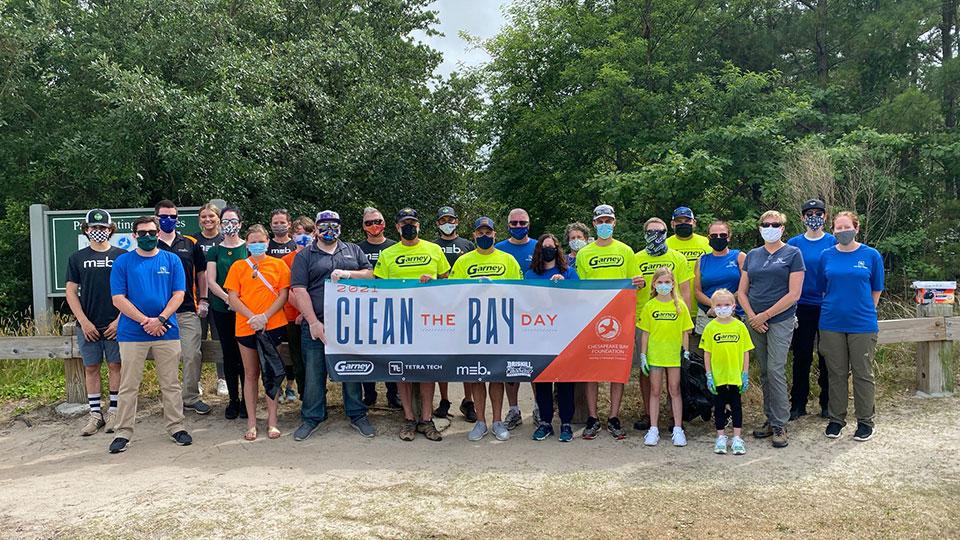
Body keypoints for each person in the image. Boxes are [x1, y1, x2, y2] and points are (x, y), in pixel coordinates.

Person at [108, 216, 191, 453]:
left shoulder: (172, 259)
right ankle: (123, 432)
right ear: (134, 235)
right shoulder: (123, 262)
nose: (147, 237)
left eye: (151, 232)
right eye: (142, 233)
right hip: (132, 332)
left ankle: (176, 427)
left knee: (171, 383)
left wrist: (161, 319)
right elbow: (118, 298)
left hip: (167, 330)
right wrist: (146, 321)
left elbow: (179, 294)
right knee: (128, 385)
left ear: (158, 234)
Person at [290, 210, 376, 441]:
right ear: (316, 228)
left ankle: (357, 414)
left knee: (351, 370)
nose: (330, 230)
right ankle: (312, 417)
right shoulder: (305, 256)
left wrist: (349, 273)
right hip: (317, 324)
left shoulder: (353, 250)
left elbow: (370, 275)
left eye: (334, 225)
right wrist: (313, 322)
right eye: (324, 225)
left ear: (341, 227)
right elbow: (299, 291)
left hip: (349, 325)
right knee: (314, 374)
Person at [374, 208, 450, 442]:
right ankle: (408, 419)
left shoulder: (434, 249)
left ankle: (426, 419)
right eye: (405, 222)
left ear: (419, 225)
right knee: (402, 370)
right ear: (397, 227)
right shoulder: (387, 254)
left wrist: (434, 282)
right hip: (399, 320)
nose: (410, 226)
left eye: (413, 222)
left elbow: (447, 282)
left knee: (428, 370)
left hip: (429, 320)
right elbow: (379, 286)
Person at [449, 217, 523, 441]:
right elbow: (453, 291)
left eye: (487, 232)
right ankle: (480, 422)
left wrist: (497, 287)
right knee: (477, 375)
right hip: (472, 326)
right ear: (473, 235)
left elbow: (519, 291)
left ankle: (498, 422)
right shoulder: (463, 261)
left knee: (497, 376)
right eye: (479, 233)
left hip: (499, 325)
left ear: (494, 234)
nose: (484, 236)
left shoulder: (508, 260)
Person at [575, 204, 644, 440]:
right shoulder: (584, 253)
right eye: (600, 221)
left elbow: (636, 282)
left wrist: (639, 282)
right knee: (591, 369)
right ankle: (593, 418)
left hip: (620, 319)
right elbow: (580, 287)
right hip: (592, 318)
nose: (604, 224)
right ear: (594, 224)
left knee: (617, 369)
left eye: (608, 220)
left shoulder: (626, 251)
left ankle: (614, 417)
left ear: (614, 223)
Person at [737, 210, 804, 449]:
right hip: (755, 320)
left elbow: (794, 294)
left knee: (776, 369)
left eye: (775, 224)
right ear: (760, 227)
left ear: (783, 228)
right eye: (766, 224)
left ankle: (780, 424)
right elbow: (741, 291)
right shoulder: (753, 255)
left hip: (780, 319)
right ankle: (770, 417)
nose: (770, 227)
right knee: (764, 370)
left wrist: (766, 315)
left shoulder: (793, 253)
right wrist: (752, 317)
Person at [818, 211, 884, 442]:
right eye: (838, 228)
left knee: (863, 373)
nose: (843, 231)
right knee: (835, 373)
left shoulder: (871, 255)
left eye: (847, 227)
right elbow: (823, 288)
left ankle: (865, 422)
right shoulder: (826, 256)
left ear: (856, 228)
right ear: (833, 230)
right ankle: (836, 420)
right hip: (831, 323)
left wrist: (864, 309)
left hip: (862, 324)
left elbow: (876, 288)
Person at [224, 225, 291, 440]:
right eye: (252, 241)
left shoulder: (278, 265)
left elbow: (283, 295)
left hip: (273, 325)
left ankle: (272, 421)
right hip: (245, 325)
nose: (256, 244)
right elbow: (232, 297)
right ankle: (252, 422)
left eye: (260, 241)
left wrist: (265, 316)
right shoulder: (238, 266)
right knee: (250, 373)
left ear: (268, 242)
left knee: (271, 372)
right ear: (247, 243)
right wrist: (252, 316)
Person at [66, 209, 126, 436]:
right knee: (91, 367)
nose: (98, 231)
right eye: (94, 227)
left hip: (115, 323)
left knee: (115, 366)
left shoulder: (121, 255)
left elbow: (129, 291)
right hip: (88, 323)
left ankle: (114, 411)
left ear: (110, 229)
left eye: (102, 228)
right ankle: (95, 415)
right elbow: (71, 292)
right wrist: (83, 321)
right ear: (86, 229)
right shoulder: (77, 258)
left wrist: (120, 320)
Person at [633, 217, 692, 431]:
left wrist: (685, 318)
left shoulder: (677, 257)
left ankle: (674, 417)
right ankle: (650, 415)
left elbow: (685, 290)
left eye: (659, 231)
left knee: (676, 372)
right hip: (644, 319)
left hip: (674, 320)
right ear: (644, 234)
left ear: (667, 232)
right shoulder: (636, 257)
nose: (655, 235)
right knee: (647, 370)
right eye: (651, 232)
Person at [155, 200, 210, 416]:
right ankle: (170, 399)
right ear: (156, 218)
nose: (168, 220)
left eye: (173, 216)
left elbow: (201, 273)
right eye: (164, 216)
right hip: (157, 313)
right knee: (164, 357)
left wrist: (204, 299)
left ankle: (190, 397)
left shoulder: (190, 243)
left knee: (192, 354)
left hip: (187, 310)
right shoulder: (149, 242)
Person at [524, 233, 578, 443]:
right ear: (539, 250)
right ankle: (545, 422)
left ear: (558, 249)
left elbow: (580, 298)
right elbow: (525, 303)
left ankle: (566, 422)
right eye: (544, 247)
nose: (549, 250)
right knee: (543, 379)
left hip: (564, 334)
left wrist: (564, 285)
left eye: (552, 246)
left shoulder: (568, 272)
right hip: (539, 333)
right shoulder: (530, 275)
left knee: (565, 381)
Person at [787, 199, 836, 419]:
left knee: (827, 356)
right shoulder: (794, 243)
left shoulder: (834, 241)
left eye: (818, 213)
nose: (813, 216)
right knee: (802, 356)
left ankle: (827, 403)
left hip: (827, 306)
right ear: (802, 217)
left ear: (825, 216)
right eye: (809, 213)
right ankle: (798, 403)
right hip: (802, 305)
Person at [638, 267, 694, 447]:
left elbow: (686, 331)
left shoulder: (680, 306)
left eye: (667, 282)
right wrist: (643, 355)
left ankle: (678, 429)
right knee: (654, 390)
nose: (664, 285)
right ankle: (653, 428)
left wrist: (685, 352)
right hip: (655, 355)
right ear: (654, 284)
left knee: (675, 390)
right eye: (660, 282)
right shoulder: (650, 306)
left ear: (673, 284)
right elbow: (645, 333)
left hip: (674, 356)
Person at [432, 205, 477, 422]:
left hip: (465, 307)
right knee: (442, 354)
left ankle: (468, 401)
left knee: (466, 354)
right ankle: (444, 400)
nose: (447, 223)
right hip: (440, 307)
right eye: (442, 220)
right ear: (437, 223)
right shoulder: (432, 247)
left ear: (457, 221)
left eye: (450, 219)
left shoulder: (467, 245)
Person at [495, 208, 537, 429]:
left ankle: (539, 408)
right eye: (514, 223)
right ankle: (513, 410)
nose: (519, 227)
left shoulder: (539, 246)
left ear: (529, 224)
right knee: (510, 366)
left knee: (536, 362)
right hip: (506, 317)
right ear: (508, 225)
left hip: (535, 316)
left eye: (523, 223)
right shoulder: (499, 248)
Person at [356, 207, 401, 409]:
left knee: (392, 351)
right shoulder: (356, 249)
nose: (374, 226)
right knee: (367, 351)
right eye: (369, 223)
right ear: (364, 227)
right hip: (365, 307)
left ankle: (394, 395)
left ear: (384, 223)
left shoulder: (396, 247)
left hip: (392, 307)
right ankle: (370, 394)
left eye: (378, 221)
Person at [206, 207, 248, 420]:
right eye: (225, 220)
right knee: (229, 355)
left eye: (233, 220)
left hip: (245, 310)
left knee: (246, 356)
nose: (229, 224)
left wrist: (240, 303)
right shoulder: (214, 251)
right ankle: (234, 400)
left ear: (240, 223)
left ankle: (248, 401)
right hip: (222, 308)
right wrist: (227, 299)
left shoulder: (248, 248)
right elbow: (211, 281)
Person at [701, 289, 753, 455]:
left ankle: (737, 438)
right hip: (718, 376)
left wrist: (745, 373)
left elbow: (746, 351)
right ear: (713, 307)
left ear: (733, 306)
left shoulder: (740, 327)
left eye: (726, 305)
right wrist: (709, 375)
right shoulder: (710, 328)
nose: (722, 308)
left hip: (735, 376)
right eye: (718, 305)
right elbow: (706, 353)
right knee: (719, 407)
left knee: (736, 406)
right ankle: (721, 437)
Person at [188, 202, 226, 397]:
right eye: (203, 217)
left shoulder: (225, 239)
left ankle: (223, 379)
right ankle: (196, 381)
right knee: (197, 340)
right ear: (199, 219)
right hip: (197, 299)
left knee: (221, 338)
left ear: (219, 218)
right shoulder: (192, 241)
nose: (207, 220)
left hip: (220, 297)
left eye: (211, 216)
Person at [279, 216, 314, 402]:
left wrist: (309, 312)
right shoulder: (285, 260)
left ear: (314, 234)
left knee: (315, 359)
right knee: (298, 358)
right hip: (293, 317)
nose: (303, 237)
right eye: (299, 233)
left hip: (317, 315)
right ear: (292, 236)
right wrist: (303, 311)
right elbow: (287, 290)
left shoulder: (319, 256)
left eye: (307, 233)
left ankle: (318, 394)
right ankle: (304, 395)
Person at [693, 220, 746, 337]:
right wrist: (715, 306)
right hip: (708, 313)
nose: (718, 238)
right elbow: (697, 291)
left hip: (735, 313)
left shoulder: (740, 257)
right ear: (708, 237)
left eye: (722, 235)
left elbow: (746, 286)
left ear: (729, 237)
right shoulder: (701, 260)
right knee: (707, 353)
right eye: (714, 235)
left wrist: (726, 306)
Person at [666, 206, 711, 289]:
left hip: (703, 295)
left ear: (694, 223)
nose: (683, 224)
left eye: (687, 221)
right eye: (679, 221)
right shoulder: (665, 244)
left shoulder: (706, 242)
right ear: (672, 224)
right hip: (675, 297)